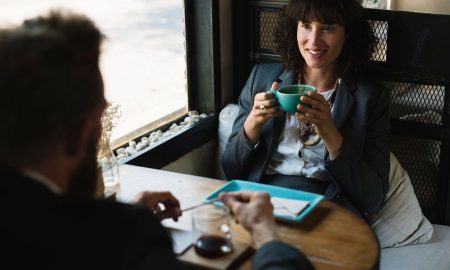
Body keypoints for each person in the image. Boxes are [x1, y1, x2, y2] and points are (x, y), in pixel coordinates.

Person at [0, 10, 313, 270]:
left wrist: (115, 222)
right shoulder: (132, 240)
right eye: (100, 115)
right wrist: (267, 236)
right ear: (77, 137)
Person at [222, 0, 390, 218]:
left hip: (329, 204)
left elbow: (373, 198)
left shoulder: (370, 98)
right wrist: (252, 123)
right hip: (264, 196)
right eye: (306, 26)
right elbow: (230, 170)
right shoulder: (261, 78)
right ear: (294, 28)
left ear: (348, 34)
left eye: (328, 28)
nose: (314, 41)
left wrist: (330, 132)